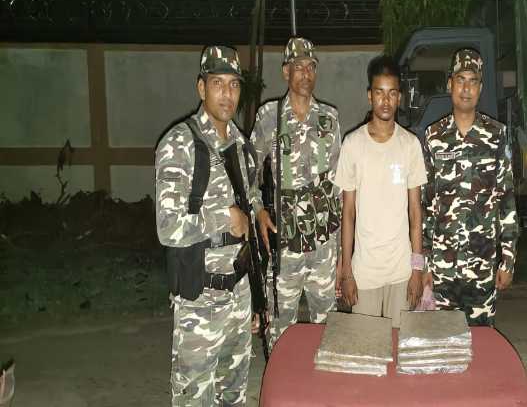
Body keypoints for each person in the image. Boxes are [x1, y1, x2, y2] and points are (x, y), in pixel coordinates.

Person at [155, 45, 262, 406]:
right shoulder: (180, 144)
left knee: (234, 395)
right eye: (218, 83)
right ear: (201, 88)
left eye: (234, 85)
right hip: (200, 302)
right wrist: (222, 217)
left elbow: (249, 216)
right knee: (195, 398)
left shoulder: (242, 145)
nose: (227, 93)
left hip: (239, 295)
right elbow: (167, 227)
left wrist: (254, 298)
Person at [250, 37, 342, 350]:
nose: (305, 73)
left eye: (310, 67)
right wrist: (258, 210)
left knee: (326, 328)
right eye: (298, 67)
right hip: (285, 244)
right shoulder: (269, 116)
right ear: (285, 72)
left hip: (323, 244)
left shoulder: (329, 118)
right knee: (280, 326)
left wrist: (341, 252)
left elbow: (339, 185)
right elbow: (248, 170)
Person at [422, 48, 519, 326]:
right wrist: (424, 265)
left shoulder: (497, 135)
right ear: (449, 84)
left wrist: (508, 261)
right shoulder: (433, 137)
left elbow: (507, 201)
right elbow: (425, 205)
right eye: (460, 80)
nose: (466, 88)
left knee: (482, 341)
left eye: (473, 81)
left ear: (480, 88)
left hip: (482, 267)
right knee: (443, 340)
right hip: (442, 269)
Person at [334, 55, 427, 327]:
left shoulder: (410, 145)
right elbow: (348, 213)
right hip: (365, 273)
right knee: (366, 345)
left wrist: (417, 270)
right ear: (369, 96)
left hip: (401, 271)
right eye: (379, 92)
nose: (385, 101)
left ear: (399, 98)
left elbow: (415, 213)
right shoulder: (353, 144)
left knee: (398, 345)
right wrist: (347, 271)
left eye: (392, 93)